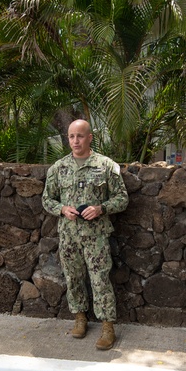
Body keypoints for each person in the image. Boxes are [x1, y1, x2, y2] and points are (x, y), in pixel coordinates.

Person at [41, 119, 129, 350]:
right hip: (69, 235)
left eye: (80, 136)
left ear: (90, 137)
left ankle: (108, 326)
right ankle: (80, 318)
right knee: (73, 277)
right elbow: (47, 199)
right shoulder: (58, 169)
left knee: (100, 279)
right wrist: (61, 209)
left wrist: (101, 209)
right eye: (71, 136)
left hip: (96, 235)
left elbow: (122, 198)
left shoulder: (106, 166)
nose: (75, 141)